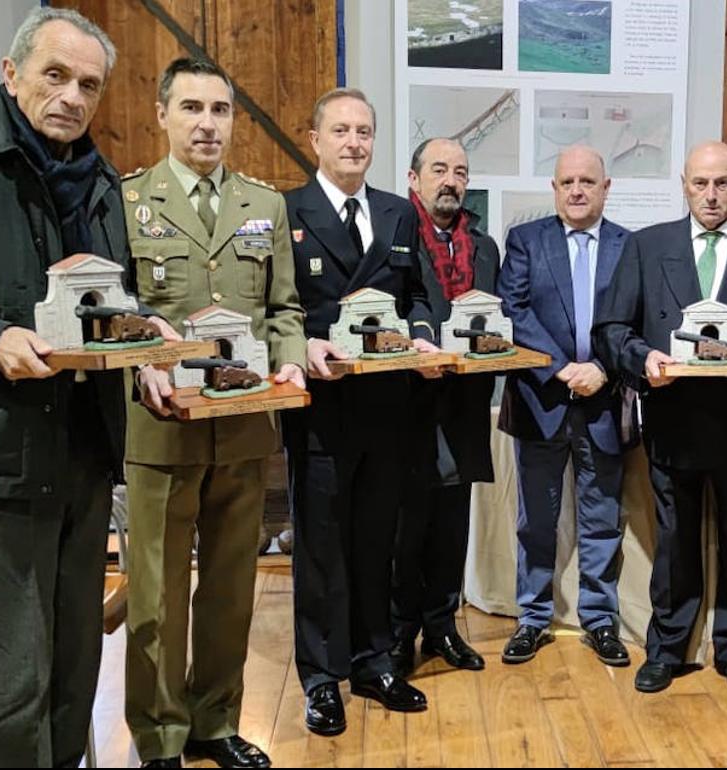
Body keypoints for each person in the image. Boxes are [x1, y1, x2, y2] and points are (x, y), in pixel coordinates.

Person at [0, 8, 173, 766]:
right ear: (10, 74)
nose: (72, 96)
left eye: (89, 84)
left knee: (76, 671)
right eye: (55, 75)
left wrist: (147, 338)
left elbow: (111, 300)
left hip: (83, 462)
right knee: (13, 686)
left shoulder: (101, 180)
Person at [124, 57, 307, 769]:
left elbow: (283, 308)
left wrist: (290, 355)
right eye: (192, 108)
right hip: (161, 426)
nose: (208, 124)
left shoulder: (264, 205)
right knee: (157, 595)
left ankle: (215, 722)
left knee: (232, 587)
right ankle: (160, 737)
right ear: (163, 114)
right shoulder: (129, 200)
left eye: (220, 110)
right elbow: (116, 316)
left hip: (243, 422)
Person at [593, 140, 727, 696]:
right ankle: (668, 649)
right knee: (675, 541)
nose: (711, 195)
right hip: (674, 418)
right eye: (700, 184)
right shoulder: (647, 246)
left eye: (722, 183)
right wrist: (644, 359)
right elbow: (613, 329)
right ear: (684, 185)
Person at [283, 87, 438, 733]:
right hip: (322, 406)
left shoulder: (401, 214)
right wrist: (304, 342)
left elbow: (423, 295)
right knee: (320, 548)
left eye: (365, 131)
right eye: (341, 130)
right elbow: (279, 303)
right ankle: (322, 678)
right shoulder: (287, 210)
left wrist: (425, 331)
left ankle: (375, 663)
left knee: (378, 540)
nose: (354, 142)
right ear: (316, 138)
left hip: (387, 405)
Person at [496, 145, 635, 667]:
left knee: (601, 519)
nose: (576, 190)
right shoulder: (526, 241)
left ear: (605, 188)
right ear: (554, 189)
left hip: (604, 399)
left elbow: (633, 316)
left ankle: (600, 620)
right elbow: (513, 310)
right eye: (566, 182)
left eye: (587, 182)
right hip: (541, 398)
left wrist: (602, 366)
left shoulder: (629, 246)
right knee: (537, 520)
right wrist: (559, 368)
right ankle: (533, 618)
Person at [389, 137, 498, 676]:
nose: (450, 180)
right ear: (414, 179)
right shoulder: (393, 233)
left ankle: (441, 628)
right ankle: (397, 634)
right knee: (407, 525)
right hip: (407, 405)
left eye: (459, 170)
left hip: (464, 405)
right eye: (438, 169)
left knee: (452, 524)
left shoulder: (485, 246)